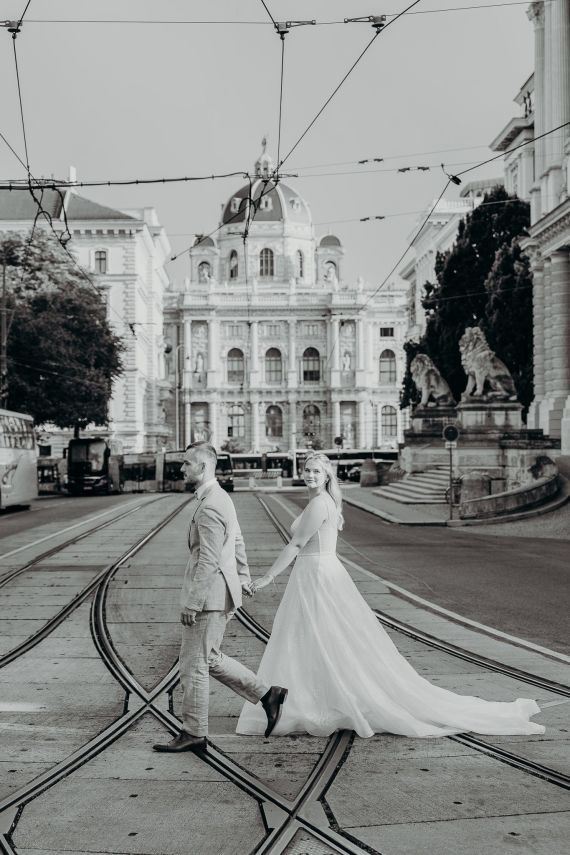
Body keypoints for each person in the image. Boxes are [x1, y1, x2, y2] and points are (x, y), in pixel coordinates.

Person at [236, 452, 544, 739]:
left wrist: (267, 577)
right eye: (307, 470)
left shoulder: (319, 504)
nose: (310, 475)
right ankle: (317, 699)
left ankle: (314, 701)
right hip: (315, 573)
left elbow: (296, 544)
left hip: (317, 575)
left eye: (317, 471)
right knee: (317, 639)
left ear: (327, 476)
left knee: (316, 638)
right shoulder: (319, 501)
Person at [153, 442, 287, 754]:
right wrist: (242, 577)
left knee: (194, 665)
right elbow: (237, 540)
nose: (182, 469)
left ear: (203, 467)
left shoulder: (211, 505)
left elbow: (208, 560)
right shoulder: (219, 497)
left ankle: (194, 731)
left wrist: (193, 602)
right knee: (208, 658)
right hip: (221, 592)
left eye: (187, 464)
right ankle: (268, 695)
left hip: (210, 597)